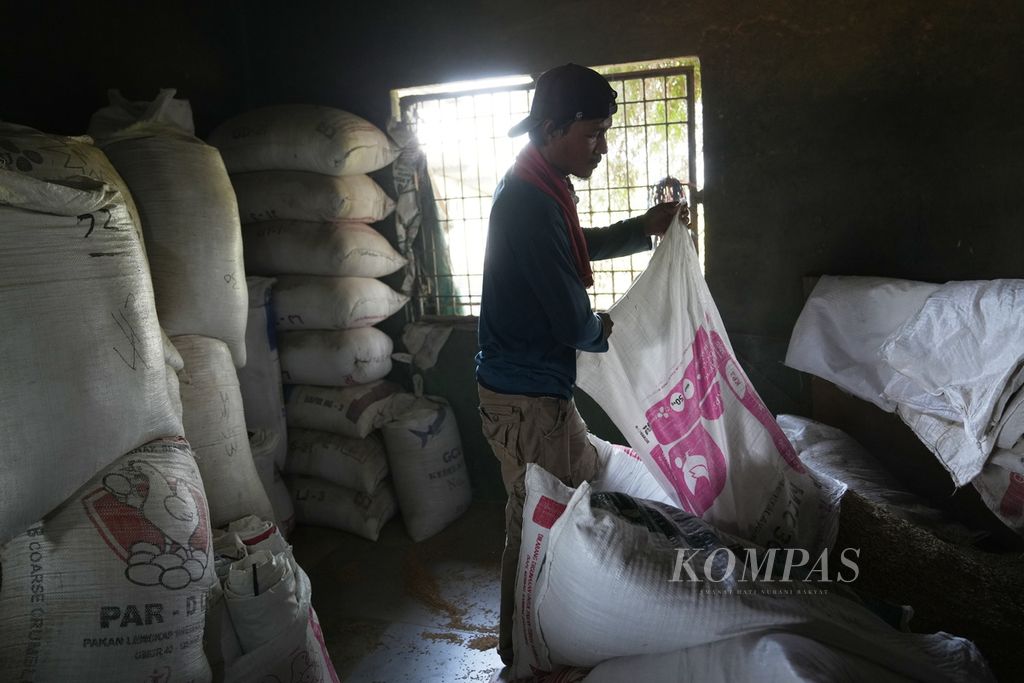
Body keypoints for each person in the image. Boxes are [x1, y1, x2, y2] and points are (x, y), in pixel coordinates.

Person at [475, 62, 687, 672]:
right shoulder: (529, 201)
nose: (602, 145)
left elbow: (572, 245)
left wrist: (643, 230)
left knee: (561, 501)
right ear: (550, 128)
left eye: (604, 132)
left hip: (535, 391)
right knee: (541, 524)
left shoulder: (538, 185)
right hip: (526, 398)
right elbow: (574, 324)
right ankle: (530, 652)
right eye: (592, 133)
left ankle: (543, 635)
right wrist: (604, 329)